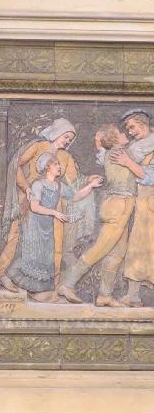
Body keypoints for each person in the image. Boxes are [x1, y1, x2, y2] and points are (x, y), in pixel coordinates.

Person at [1, 154, 102, 301]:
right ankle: (7, 277)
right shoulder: (38, 185)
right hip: (34, 224)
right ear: (47, 167)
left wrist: (90, 186)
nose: (59, 167)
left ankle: (37, 290)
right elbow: (34, 207)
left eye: (58, 164)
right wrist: (55, 213)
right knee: (30, 254)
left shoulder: (58, 186)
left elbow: (75, 196)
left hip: (46, 225)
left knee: (44, 256)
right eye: (56, 164)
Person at [57, 123, 137, 306]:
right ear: (115, 138)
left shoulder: (110, 153)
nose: (126, 134)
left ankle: (105, 295)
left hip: (120, 205)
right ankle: (67, 284)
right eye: (121, 132)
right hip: (119, 205)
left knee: (117, 254)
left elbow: (101, 147)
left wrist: (99, 140)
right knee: (100, 249)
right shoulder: (120, 152)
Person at [0, 118, 79, 288]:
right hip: (31, 198)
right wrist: (26, 187)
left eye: (70, 139)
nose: (68, 141)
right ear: (57, 132)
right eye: (66, 136)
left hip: (53, 204)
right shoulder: (39, 146)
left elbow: (75, 182)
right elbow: (16, 165)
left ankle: (51, 285)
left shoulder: (66, 157)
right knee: (16, 237)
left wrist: (88, 182)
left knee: (55, 243)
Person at [107, 109, 154, 307]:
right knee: (137, 248)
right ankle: (133, 296)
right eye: (127, 129)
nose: (130, 132)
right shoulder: (136, 148)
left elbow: (150, 177)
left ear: (144, 123)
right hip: (141, 205)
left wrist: (127, 163)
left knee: (144, 247)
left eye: (132, 127)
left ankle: (134, 296)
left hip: (150, 205)